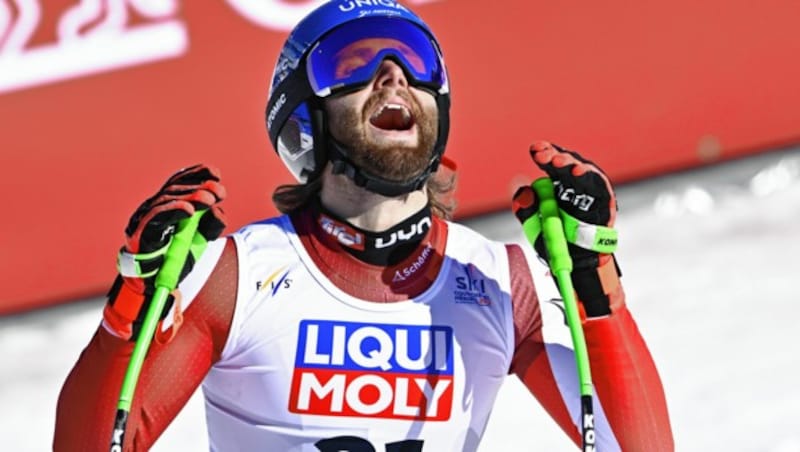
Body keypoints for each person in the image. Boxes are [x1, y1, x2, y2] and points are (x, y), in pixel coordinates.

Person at [54, 1, 674, 450]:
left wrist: (598, 290)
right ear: (304, 115)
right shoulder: (238, 277)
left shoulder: (495, 282)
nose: (392, 74)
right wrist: (128, 309)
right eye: (350, 64)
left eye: (415, 62)